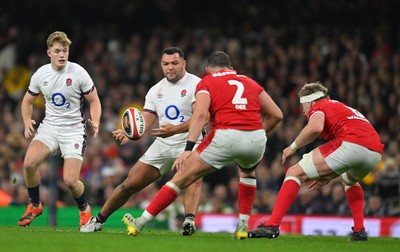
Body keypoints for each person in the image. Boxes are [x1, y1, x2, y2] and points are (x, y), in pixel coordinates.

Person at [120, 51, 283, 239]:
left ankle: (139, 223)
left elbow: (201, 116)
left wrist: (188, 149)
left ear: (208, 70)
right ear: (230, 68)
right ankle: (243, 226)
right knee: (247, 174)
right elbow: (277, 115)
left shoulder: (206, 82)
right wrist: (257, 134)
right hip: (255, 137)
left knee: (181, 178)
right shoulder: (250, 82)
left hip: (225, 136)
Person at [80, 47, 203, 236]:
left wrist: (175, 129)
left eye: (174, 63)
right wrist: (131, 133)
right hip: (163, 144)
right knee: (129, 184)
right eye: (166, 64)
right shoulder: (156, 90)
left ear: (184, 64)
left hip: (190, 142)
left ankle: (189, 221)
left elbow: (200, 117)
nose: (170, 67)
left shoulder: (197, 85)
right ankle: (98, 220)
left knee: (192, 178)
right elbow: (146, 118)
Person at [248, 82, 384, 241]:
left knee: (294, 173)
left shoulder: (319, 106)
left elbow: (315, 128)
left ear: (310, 102)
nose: (303, 111)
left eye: (303, 106)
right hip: (374, 152)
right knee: (349, 180)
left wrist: (293, 147)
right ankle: (360, 231)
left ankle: (271, 226)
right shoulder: (341, 107)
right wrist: (331, 173)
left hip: (351, 143)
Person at [18, 31, 102, 227]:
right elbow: (27, 101)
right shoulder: (41, 74)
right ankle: (35, 205)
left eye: (65, 50)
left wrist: (95, 120)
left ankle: (84, 208)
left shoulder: (79, 73)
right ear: (49, 53)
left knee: (71, 181)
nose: (62, 54)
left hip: (73, 130)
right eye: (57, 51)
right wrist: (27, 119)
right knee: (29, 163)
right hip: (50, 127)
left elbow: (94, 100)